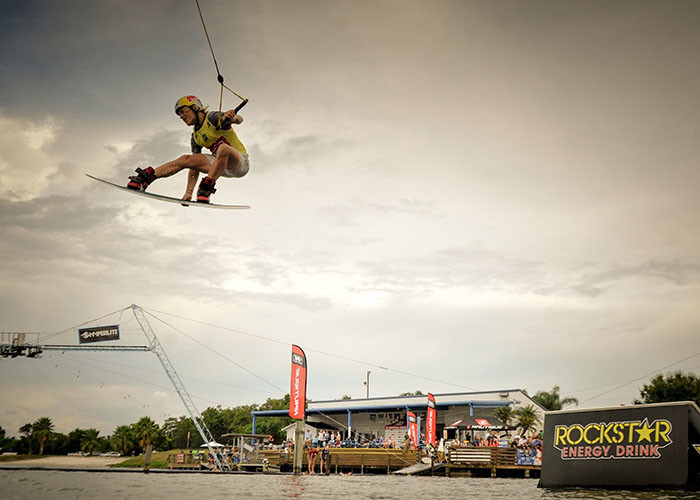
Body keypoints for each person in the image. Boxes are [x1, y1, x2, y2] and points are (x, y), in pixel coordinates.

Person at [126, 95, 249, 203]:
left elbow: (239, 119)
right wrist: (188, 192)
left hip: (240, 163)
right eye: (179, 114)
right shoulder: (195, 137)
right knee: (186, 159)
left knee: (223, 148)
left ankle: (205, 189)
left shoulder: (211, 117)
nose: (181, 116)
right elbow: (194, 166)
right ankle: (146, 179)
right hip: (219, 167)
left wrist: (232, 118)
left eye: (183, 111)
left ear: (195, 108)